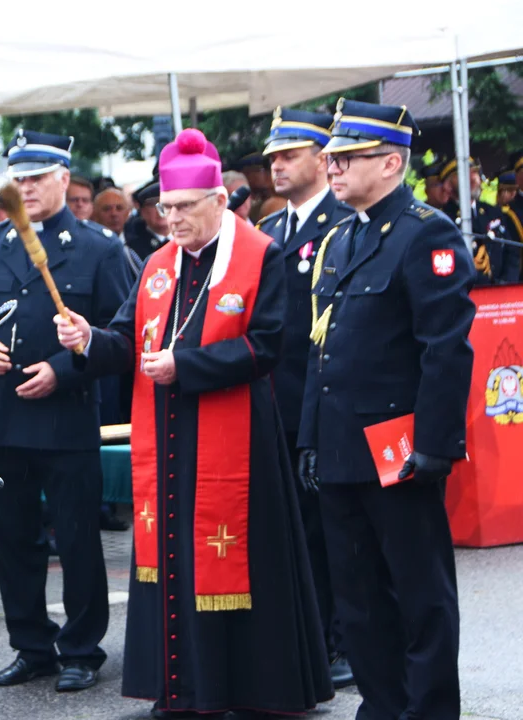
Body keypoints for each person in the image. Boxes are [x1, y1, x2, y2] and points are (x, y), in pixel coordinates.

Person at [57, 128, 331, 718]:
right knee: (176, 561)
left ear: (219, 200)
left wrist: (186, 365)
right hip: (169, 443)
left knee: (239, 561)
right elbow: (127, 341)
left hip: (238, 443)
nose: (170, 219)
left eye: (183, 208)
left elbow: (267, 348)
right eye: (164, 208)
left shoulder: (260, 253)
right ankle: (183, 690)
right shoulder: (158, 263)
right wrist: (88, 341)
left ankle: (251, 689)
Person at [299, 99, 474, 720]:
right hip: (344, 449)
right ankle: (381, 704)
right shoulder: (340, 238)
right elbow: (322, 351)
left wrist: (434, 445)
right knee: (359, 596)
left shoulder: (426, 231)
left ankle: (427, 711)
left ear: (392, 163)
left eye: (346, 157)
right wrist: (309, 441)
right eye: (331, 156)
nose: (333, 166)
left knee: (419, 594)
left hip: (398, 449)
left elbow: (445, 349)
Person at [0, 129, 131, 692]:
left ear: (62, 179)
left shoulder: (99, 247)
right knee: (12, 539)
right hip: (1, 414)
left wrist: (64, 367)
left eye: (35, 177)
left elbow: (122, 337)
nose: (24, 188)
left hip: (65, 416)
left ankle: (80, 646)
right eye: (17, 178)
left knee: (76, 539)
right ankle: (31, 644)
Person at [256, 107, 354, 689]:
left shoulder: (346, 222)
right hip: (278, 406)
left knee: (334, 532)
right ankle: (312, 638)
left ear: (323, 157)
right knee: (293, 531)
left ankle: (343, 642)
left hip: (328, 407)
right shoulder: (269, 232)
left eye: (289, 154)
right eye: (273, 157)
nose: (277, 165)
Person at [441, 156, 520, 284]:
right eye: (464, 174)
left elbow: (512, 252)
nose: (473, 178)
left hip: (499, 296)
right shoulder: (442, 219)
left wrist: (506, 283)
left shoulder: (493, 212)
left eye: (475, 172)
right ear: (448, 185)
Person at [125, 178, 171, 261]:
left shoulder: (186, 240)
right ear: (142, 211)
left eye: (165, 203)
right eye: (153, 204)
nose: (160, 209)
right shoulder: (134, 248)